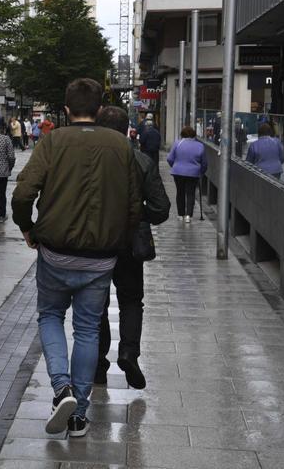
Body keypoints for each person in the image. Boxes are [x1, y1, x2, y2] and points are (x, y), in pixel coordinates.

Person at [11, 78, 141, 438]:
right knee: (87, 328)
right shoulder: (120, 145)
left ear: (67, 110)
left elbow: (23, 193)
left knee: (50, 315)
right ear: (99, 109)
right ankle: (79, 414)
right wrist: (120, 240)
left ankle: (61, 387)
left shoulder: (53, 141)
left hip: (55, 252)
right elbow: (134, 205)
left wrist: (28, 227)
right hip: (100, 257)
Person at [94, 106, 170, 389]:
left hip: (97, 241)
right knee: (130, 300)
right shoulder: (140, 160)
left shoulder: (90, 160)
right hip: (129, 243)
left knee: (97, 304)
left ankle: (98, 364)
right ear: (128, 130)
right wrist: (137, 213)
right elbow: (161, 209)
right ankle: (128, 352)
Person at [167, 125, 206, 223]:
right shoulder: (200, 145)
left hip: (178, 172)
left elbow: (169, 158)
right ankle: (189, 215)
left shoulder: (177, 143)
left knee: (180, 192)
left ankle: (180, 214)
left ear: (182, 134)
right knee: (190, 193)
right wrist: (201, 172)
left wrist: (175, 165)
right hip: (193, 173)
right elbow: (204, 162)